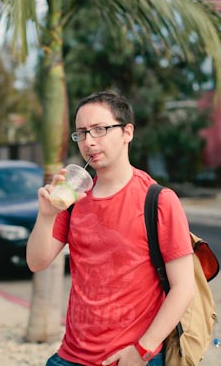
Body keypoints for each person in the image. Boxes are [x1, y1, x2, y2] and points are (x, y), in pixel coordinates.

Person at [27, 91, 197, 366]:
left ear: (127, 132)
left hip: (130, 358)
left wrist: (141, 351)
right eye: (81, 133)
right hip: (71, 356)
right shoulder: (74, 199)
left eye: (100, 129)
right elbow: (36, 262)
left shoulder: (158, 200)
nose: (89, 141)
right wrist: (46, 216)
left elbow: (184, 287)